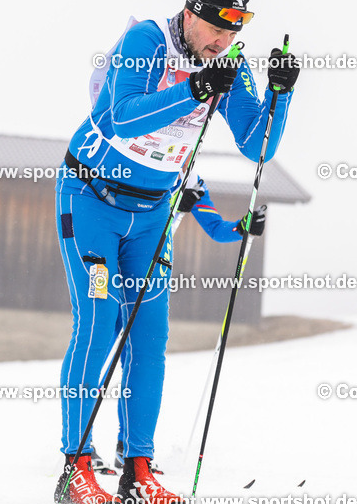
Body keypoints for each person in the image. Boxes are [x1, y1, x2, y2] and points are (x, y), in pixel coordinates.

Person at [54, 0, 299, 504]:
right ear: (190, 13)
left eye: (232, 34)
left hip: (151, 217)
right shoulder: (147, 40)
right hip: (93, 202)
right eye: (214, 29)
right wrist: (193, 88)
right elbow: (121, 119)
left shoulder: (228, 67)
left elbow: (257, 146)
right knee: (97, 320)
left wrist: (280, 94)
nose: (221, 43)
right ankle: (76, 466)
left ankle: (138, 469)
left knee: (150, 336)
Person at [88, 177, 268, 477]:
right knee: (99, 355)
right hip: (115, 267)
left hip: (147, 279)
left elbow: (217, 230)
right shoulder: (143, 166)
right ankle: (83, 446)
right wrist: (175, 207)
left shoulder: (195, 184)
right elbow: (141, 220)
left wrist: (243, 227)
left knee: (138, 362)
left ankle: (127, 447)